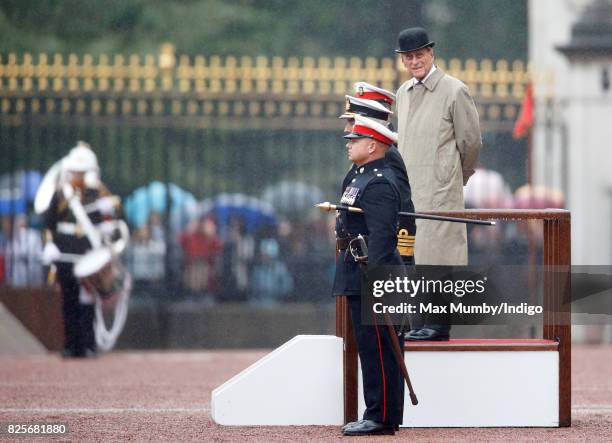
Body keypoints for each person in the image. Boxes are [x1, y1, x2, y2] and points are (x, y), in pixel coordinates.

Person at [395, 27, 482, 341]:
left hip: (440, 188)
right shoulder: (402, 94)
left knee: (438, 256)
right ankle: (417, 321)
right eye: (408, 57)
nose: (414, 61)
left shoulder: (454, 90)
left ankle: (439, 323)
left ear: (431, 53)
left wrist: (455, 176)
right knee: (411, 257)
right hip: (410, 189)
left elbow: (470, 142)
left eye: (419, 54)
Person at [333, 116, 405, 436]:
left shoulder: (378, 182)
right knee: (368, 345)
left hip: (370, 272)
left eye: (355, 139)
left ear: (372, 145)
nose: (349, 143)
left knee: (378, 346)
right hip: (355, 266)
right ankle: (375, 410)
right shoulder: (360, 176)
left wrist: (376, 278)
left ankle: (382, 416)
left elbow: (383, 235)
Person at [42, 142, 120, 358]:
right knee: (69, 301)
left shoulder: (98, 195)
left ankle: (88, 343)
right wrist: (49, 244)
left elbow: (114, 221)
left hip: (88, 255)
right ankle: (71, 345)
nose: (77, 175)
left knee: (88, 303)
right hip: (66, 254)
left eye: (81, 172)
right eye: (75, 171)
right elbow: (49, 223)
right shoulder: (60, 195)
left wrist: (108, 218)